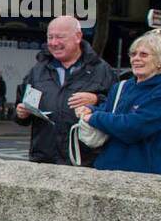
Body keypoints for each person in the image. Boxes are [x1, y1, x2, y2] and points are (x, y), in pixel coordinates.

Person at [14, 15, 115, 165]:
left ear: (78, 37)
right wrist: (21, 113)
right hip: (44, 160)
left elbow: (117, 109)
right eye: (50, 37)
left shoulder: (101, 70)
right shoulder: (38, 70)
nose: (54, 43)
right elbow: (21, 108)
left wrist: (96, 100)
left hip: (85, 161)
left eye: (60, 37)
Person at [78, 31, 161, 175]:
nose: (136, 59)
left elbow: (134, 127)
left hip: (144, 175)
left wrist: (94, 118)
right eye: (133, 54)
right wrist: (90, 110)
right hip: (106, 168)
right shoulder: (121, 86)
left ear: (159, 61)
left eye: (143, 55)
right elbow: (108, 111)